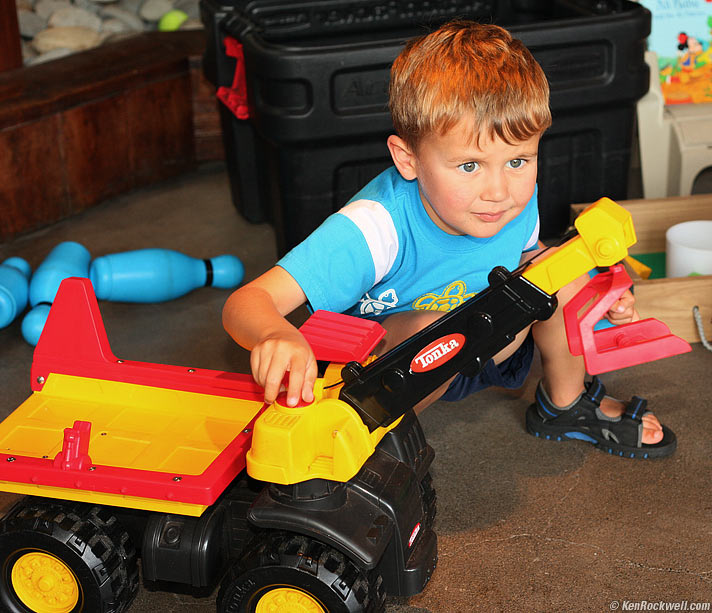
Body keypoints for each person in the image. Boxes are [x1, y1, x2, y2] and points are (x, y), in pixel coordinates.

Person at [222, 20, 676, 459]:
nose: (499, 192)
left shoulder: (514, 198)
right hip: (383, 369)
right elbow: (246, 302)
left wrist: (600, 298)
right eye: (469, 166)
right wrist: (275, 333)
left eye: (518, 161)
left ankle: (566, 404)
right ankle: (365, 444)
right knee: (426, 332)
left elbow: (531, 255)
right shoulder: (374, 227)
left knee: (566, 265)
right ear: (409, 159)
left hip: (482, 336)